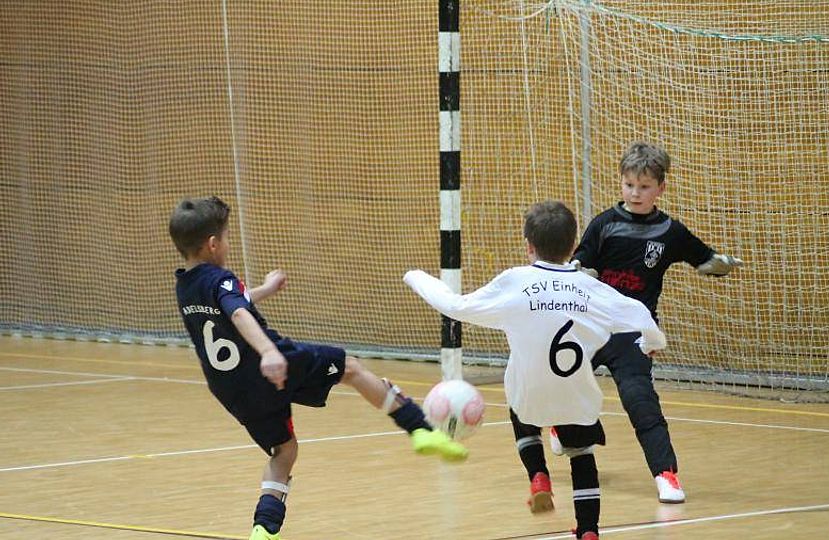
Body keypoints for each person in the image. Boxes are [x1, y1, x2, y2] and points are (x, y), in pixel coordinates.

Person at [169, 196, 467, 540]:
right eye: (226, 238)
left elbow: (231, 303)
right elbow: (236, 312)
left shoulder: (185, 286)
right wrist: (268, 352)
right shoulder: (221, 279)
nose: (227, 244)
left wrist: (265, 289)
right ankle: (420, 429)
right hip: (272, 364)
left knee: (284, 451)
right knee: (351, 368)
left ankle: (264, 530)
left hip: (230, 388)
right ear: (212, 244)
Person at [404, 200, 667, 540]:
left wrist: (416, 276)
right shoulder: (591, 288)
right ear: (573, 245)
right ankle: (588, 530)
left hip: (530, 396)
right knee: (581, 455)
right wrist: (650, 342)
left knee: (519, 402)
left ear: (528, 245)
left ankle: (538, 474)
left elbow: (456, 306)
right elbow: (639, 314)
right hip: (576, 396)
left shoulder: (515, 281)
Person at [550, 141, 743, 504]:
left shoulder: (670, 232)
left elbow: (703, 258)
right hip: (591, 326)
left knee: (640, 400)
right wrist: (577, 270)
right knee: (560, 379)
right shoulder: (604, 224)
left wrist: (719, 264)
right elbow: (583, 260)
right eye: (629, 185)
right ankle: (566, 430)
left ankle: (666, 475)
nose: (635, 193)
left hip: (633, 334)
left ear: (660, 188)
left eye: (644, 186)